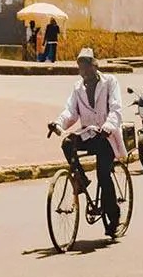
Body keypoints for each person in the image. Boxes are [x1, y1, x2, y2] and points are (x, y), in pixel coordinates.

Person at [48, 48, 124, 239]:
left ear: (95, 66)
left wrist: (108, 126)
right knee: (67, 144)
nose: (84, 71)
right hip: (89, 134)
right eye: (80, 66)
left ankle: (113, 218)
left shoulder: (109, 82)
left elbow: (116, 108)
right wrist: (58, 123)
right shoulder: (78, 88)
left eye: (87, 66)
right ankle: (81, 180)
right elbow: (70, 112)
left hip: (107, 136)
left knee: (104, 175)